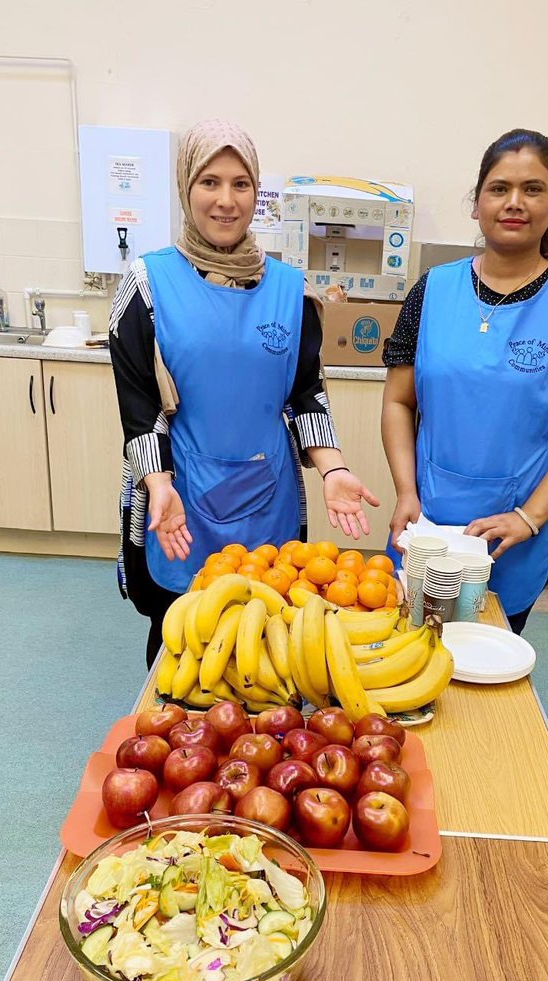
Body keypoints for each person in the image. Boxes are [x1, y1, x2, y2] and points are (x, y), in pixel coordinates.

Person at [109, 120, 379, 665]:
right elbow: (139, 405)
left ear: (257, 191)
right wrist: (158, 484)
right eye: (209, 182)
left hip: (267, 495)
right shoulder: (147, 282)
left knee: (269, 642)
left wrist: (333, 469)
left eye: (241, 184)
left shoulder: (290, 290)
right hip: (178, 497)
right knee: (180, 641)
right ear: (186, 187)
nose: (226, 201)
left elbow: (306, 394)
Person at [381, 128, 548, 633]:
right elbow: (399, 402)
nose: (514, 202)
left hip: (517, 531)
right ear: (477, 203)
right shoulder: (433, 290)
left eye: (533, 189)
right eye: (499, 188)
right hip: (427, 516)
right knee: (406, 645)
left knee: (488, 651)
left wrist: (530, 516)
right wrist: (406, 490)